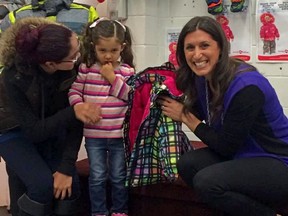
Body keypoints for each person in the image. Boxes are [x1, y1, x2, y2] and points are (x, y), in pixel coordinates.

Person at [159, 16, 288, 216]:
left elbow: (226, 147)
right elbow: (200, 112)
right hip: (244, 156)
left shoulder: (247, 85)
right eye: (190, 48)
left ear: (220, 48)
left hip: (278, 161)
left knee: (207, 182)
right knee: (188, 163)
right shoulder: (202, 79)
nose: (197, 54)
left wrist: (186, 118)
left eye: (204, 46)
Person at [0, 17, 101, 216]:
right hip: (11, 129)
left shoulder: (71, 68)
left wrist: (66, 167)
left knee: (69, 188)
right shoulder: (14, 76)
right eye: (73, 56)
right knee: (41, 186)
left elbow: (76, 124)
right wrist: (73, 111)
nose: (78, 57)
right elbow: (34, 131)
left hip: (50, 127)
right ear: (51, 64)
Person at [68, 18, 135, 216]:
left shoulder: (127, 71)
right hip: (94, 136)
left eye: (113, 51)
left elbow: (131, 97)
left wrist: (112, 78)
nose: (108, 56)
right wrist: (79, 105)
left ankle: (119, 211)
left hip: (118, 136)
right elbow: (74, 91)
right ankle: (98, 212)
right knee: (97, 176)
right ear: (93, 47)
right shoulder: (86, 69)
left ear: (122, 47)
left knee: (118, 176)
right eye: (102, 50)